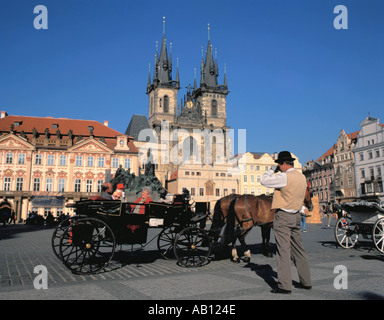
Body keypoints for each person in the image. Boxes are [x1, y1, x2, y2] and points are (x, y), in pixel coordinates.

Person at [261, 151, 312, 294]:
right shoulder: (302, 177)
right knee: (299, 250)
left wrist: (271, 170)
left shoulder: (284, 177)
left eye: (279, 164)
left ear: (283, 164)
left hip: (283, 216)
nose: (278, 166)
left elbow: (264, 181)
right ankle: (306, 281)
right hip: (296, 215)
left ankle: (284, 285)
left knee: (283, 251)